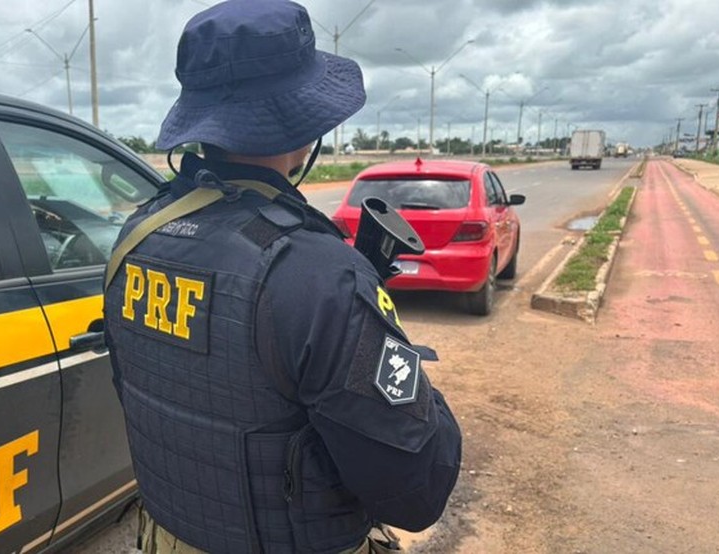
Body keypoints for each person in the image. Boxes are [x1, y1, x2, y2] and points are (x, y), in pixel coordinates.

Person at [103, 1, 461, 552]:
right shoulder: (319, 275)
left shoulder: (136, 238)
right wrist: (416, 387)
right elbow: (416, 491)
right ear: (304, 127)